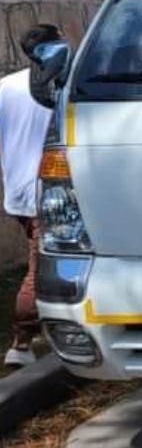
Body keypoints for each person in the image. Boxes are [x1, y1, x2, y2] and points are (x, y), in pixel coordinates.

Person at [1, 25, 59, 367]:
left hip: (20, 192)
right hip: (49, 192)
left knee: (43, 260)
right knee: (38, 268)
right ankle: (21, 344)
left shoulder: (5, 87)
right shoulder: (59, 85)